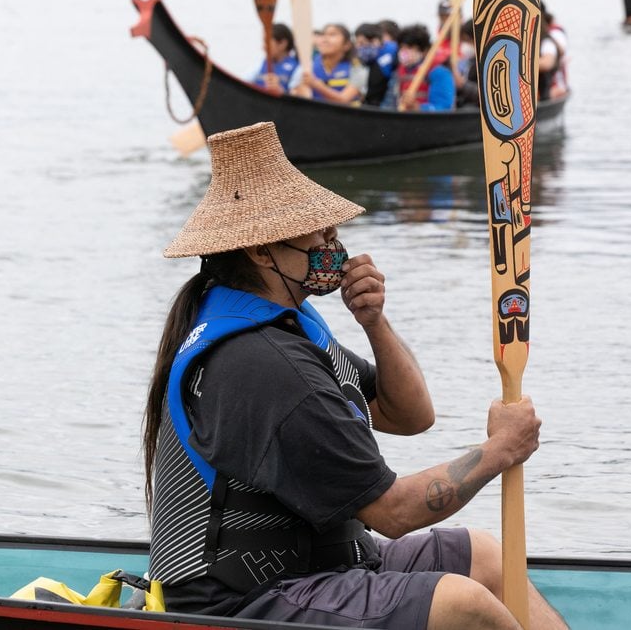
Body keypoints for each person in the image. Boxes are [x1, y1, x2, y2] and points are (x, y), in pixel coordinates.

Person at [144, 121, 568, 629]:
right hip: (243, 602)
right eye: (318, 229)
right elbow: (394, 513)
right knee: (463, 602)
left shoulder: (288, 324)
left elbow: (410, 415)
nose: (333, 240)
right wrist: (503, 449)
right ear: (260, 251)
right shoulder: (263, 364)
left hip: (319, 566)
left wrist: (374, 322)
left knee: (484, 556)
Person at [293, 23, 363, 105]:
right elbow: (298, 95)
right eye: (322, 35)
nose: (325, 39)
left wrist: (316, 85)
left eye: (332, 34)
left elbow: (343, 99)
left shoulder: (357, 68)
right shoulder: (307, 66)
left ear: (347, 45)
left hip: (347, 116)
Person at [394, 24, 455, 112]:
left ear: (424, 50)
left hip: (428, 122)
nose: (404, 52)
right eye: (402, 47)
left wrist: (418, 108)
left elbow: (443, 108)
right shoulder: (401, 70)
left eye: (410, 47)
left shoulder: (439, 73)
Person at [249, 23, 301, 97]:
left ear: (283, 44)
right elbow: (243, 83)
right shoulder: (259, 65)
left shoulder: (298, 69)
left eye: (267, 42)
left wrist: (280, 90)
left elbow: (298, 100)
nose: (263, 47)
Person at [355, 22, 397, 108]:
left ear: (375, 41)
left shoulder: (390, 58)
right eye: (357, 43)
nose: (358, 47)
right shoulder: (364, 61)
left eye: (362, 43)